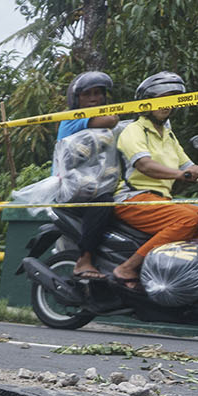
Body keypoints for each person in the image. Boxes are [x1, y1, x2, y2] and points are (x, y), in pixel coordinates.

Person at [109, 71, 198, 291]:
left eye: (173, 100)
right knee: (186, 220)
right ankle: (127, 268)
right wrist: (181, 175)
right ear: (147, 102)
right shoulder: (134, 130)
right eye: (162, 99)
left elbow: (188, 166)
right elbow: (144, 165)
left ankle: (180, 274)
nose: (167, 105)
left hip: (162, 201)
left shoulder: (168, 135)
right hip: (134, 198)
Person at [55, 71, 119, 280]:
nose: (94, 98)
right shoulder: (72, 119)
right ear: (77, 99)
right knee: (104, 203)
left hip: (92, 183)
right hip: (71, 187)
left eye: (98, 93)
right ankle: (85, 259)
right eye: (87, 94)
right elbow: (112, 119)